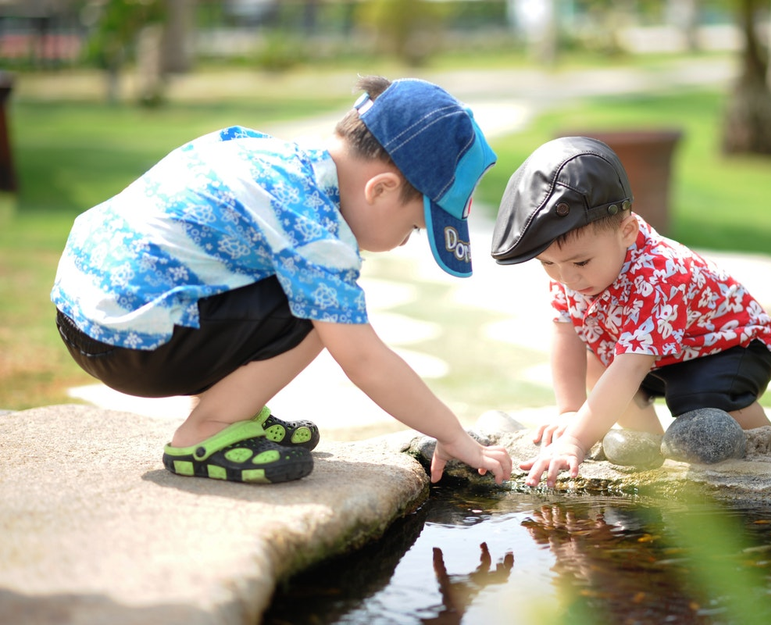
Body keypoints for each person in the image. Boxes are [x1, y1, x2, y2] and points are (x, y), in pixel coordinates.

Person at [52, 75, 512, 486]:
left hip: (85, 313)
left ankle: (234, 411)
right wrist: (452, 434)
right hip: (129, 344)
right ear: (382, 189)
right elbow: (364, 360)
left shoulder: (269, 156)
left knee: (292, 286)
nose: (402, 242)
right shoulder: (314, 228)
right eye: (413, 229)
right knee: (322, 313)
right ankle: (207, 432)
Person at [490, 136, 771, 488]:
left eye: (580, 261)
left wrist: (576, 441)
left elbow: (631, 366)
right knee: (597, 360)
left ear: (627, 231)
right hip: (662, 354)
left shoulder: (659, 273)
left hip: (732, 346)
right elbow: (565, 332)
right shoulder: (571, 270)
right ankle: (650, 453)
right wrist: (570, 411)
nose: (567, 277)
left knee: (697, 399)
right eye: (547, 263)